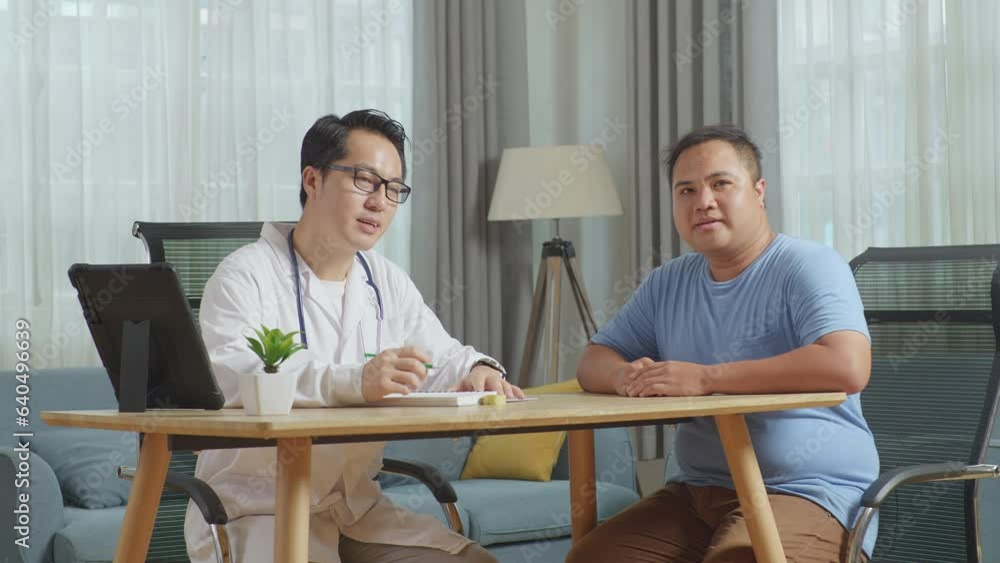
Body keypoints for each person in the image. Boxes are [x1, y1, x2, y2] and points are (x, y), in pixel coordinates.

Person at [185, 110, 523, 563]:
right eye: (365, 180)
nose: (380, 201)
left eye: (393, 189)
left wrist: (476, 368)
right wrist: (356, 381)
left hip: (356, 510)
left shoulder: (384, 279)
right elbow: (237, 378)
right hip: (258, 511)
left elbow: (438, 356)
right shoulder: (245, 276)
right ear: (313, 180)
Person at [566, 125, 878, 562]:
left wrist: (706, 379)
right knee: (591, 558)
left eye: (720, 184)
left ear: (759, 191)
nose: (703, 201)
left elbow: (847, 366)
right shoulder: (668, 282)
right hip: (696, 494)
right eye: (686, 191)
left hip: (809, 493)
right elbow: (593, 360)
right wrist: (625, 376)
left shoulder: (808, 265)